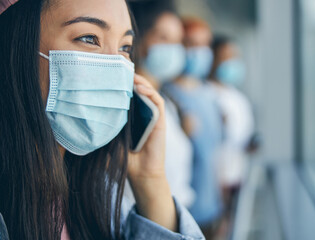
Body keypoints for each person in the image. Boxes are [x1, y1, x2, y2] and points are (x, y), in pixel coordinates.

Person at [0, 0, 204, 239]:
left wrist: (150, 181)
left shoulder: (99, 196)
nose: (116, 65)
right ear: (16, 45)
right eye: (89, 38)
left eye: (125, 48)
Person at [128, 0, 195, 208]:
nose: (173, 49)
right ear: (138, 38)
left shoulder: (168, 100)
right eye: (163, 37)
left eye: (178, 41)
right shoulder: (129, 105)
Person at [162, 16, 223, 238]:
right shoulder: (166, 96)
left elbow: (214, 156)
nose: (199, 51)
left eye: (204, 44)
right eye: (191, 44)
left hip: (213, 209)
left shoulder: (209, 95)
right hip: (184, 217)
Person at [208, 35, 255, 237]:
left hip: (236, 180)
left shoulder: (239, 98)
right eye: (226, 56)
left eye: (235, 56)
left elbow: (241, 138)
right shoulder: (206, 95)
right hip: (214, 185)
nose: (233, 62)